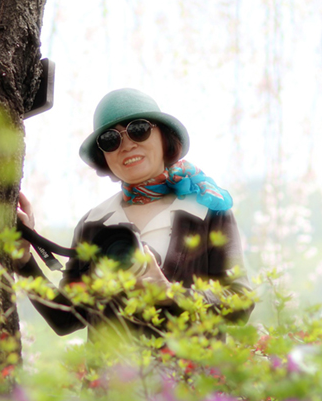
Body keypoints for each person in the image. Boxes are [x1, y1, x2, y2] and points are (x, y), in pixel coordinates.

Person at [18, 88, 253, 338]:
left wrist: (170, 294)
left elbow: (241, 303)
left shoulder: (207, 209)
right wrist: (23, 260)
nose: (127, 145)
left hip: (191, 364)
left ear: (164, 137)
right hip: (110, 365)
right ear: (103, 155)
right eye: (110, 140)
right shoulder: (93, 222)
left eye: (139, 130)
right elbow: (66, 319)